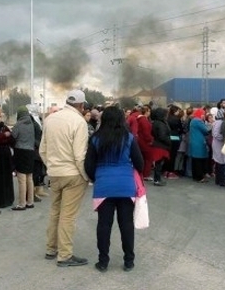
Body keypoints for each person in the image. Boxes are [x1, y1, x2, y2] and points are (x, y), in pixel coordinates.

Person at [85, 106, 144, 272]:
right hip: (126, 186)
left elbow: (88, 165)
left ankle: (103, 261)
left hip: (104, 186)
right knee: (126, 224)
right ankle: (129, 261)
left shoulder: (96, 139)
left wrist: (98, 178)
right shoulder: (129, 138)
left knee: (104, 224)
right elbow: (139, 163)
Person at [39, 89, 90, 267]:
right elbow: (79, 155)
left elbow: (42, 150)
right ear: (82, 105)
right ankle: (65, 255)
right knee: (68, 216)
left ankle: (51, 248)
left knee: (55, 211)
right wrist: (86, 177)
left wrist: (51, 167)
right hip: (73, 174)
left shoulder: (50, 119)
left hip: (55, 173)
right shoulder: (79, 122)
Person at [12, 107, 36, 211]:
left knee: (22, 179)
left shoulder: (18, 124)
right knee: (29, 178)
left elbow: (14, 135)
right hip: (31, 152)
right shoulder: (32, 124)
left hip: (21, 152)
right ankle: (30, 202)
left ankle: (22, 203)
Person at [150, 107, 171, 186]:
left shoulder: (155, 122)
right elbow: (162, 136)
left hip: (157, 144)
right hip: (161, 146)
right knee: (159, 163)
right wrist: (169, 141)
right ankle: (157, 179)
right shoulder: (161, 123)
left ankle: (157, 179)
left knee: (158, 163)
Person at [188, 108, 210, 183]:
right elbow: (206, 130)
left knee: (195, 160)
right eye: (203, 114)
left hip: (193, 142)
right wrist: (212, 125)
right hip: (199, 143)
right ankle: (200, 177)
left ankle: (195, 176)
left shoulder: (193, 121)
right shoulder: (198, 121)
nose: (204, 116)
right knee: (199, 161)